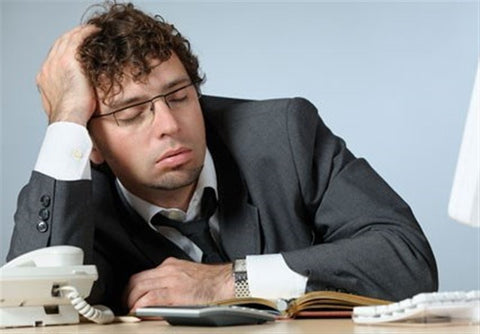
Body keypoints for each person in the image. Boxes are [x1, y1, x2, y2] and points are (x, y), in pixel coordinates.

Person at [7, 1, 437, 315]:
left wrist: (230, 280)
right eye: (132, 113)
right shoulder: (74, 193)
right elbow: (30, 309)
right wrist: (65, 120)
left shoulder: (284, 134)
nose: (169, 125)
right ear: (92, 142)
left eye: (179, 96)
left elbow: (407, 261)